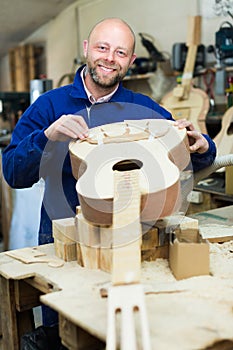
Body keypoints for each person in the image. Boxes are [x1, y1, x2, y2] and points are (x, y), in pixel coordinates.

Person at [2, 17, 216, 347]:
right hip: (68, 251)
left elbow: (192, 152)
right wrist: (47, 137)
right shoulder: (49, 106)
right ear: (87, 49)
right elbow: (13, 172)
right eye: (102, 47)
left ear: (131, 61)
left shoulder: (142, 107)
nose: (109, 57)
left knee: (129, 334)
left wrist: (202, 144)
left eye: (120, 52)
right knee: (70, 334)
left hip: (137, 245)